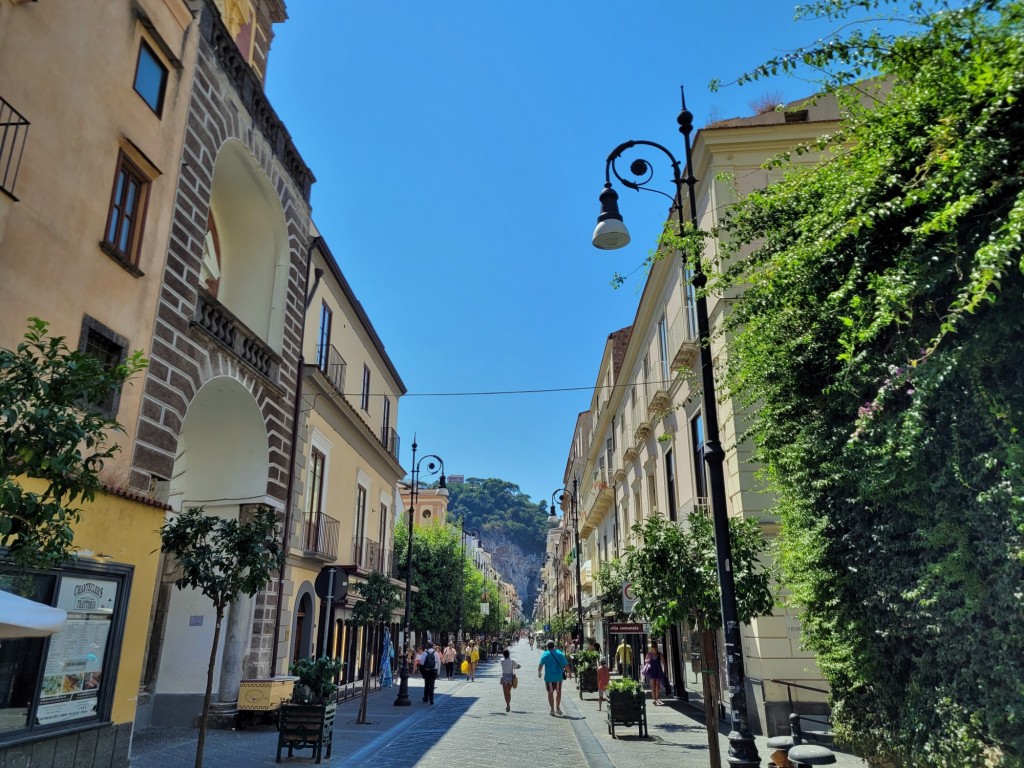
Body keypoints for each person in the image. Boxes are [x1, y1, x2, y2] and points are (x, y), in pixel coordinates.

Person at [537, 639, 569, 716]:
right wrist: (570, 673)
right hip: (558, 677)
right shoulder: (560, 653)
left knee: (550, 693)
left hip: (549, 678)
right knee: (558, 692)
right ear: (554, 646)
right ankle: (557, 708)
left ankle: (552, 710)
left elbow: (540, 665)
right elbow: (566, 665)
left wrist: (539, 673)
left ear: (547, 647)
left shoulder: (545, 654)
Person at [642, 641, 668, 705]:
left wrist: (665, 671)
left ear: (657, 648)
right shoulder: (649, 654)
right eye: (653, 647)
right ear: (651, 648)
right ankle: (654, 699)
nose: (654, 648)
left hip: (658, 671)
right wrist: (648, 660)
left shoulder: (659, 654)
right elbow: (645, 661)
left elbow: (664, 663)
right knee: (653, 685)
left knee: (657, 686)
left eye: (655, 647)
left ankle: (657, 698)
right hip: (651, 671)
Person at [499, 648, 521, 712]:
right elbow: (518, 666)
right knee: (509, 692)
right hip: (510, 677)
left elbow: (501, 663)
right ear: (509, 654)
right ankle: (508, 704)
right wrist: (515, 667)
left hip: (504, 677)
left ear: (503, 654)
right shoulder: (512, 661)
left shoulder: (501, 660)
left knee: (505, 693)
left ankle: (507, 705)